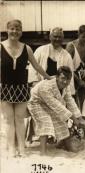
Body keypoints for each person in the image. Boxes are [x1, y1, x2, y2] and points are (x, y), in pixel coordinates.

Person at [0, 19, 52, 157]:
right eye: (12, 28)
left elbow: (37, 66)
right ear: (7, 30)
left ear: (21, 31)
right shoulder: (0, 47)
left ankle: (21, 149)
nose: (15, 31)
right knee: (8, 120)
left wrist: (48, 77)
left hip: (21, 88)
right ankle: (12, 148)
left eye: (18, 29)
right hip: (4, 87)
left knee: (19, 119)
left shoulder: (27, 48)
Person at [27, 66, 85, 155]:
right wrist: (74, 119)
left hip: (49, 104)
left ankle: (61, 143)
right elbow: (56, 105)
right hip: (36, 103)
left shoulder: (66, 86)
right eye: (63, 78)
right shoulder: (46, 87)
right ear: (57, 77)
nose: (65, 81)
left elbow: (70, 100)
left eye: (68, 79)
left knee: (61, 121)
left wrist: (79, 117)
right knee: (45, 121)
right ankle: (42, 152)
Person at [28, 27, 75, 95]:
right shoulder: (40, 50)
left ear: (63, 38)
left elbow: (70, 77)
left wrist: (69, 94)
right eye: (55, 36)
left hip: (58, 92)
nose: (57, 39)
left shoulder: (67, 56)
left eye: (60, 37)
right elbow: (32, 68)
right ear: (50, 37)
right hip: (40, 88)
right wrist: (34, 83)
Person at [66, 25, 85, 110]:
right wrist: (78, 80)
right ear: (78, 34)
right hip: (71, 77)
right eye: (83, 37)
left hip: (82, 77)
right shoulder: (71, 46)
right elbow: (67, 66)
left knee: (82, 103)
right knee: (72, 104)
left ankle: (79, 122)